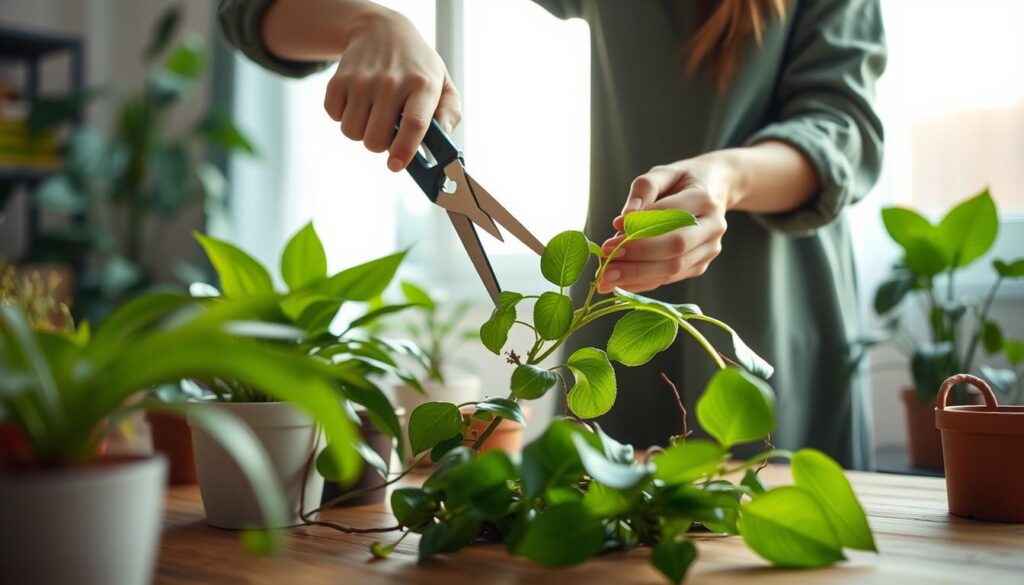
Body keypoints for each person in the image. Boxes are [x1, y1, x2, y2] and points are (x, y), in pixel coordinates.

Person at [218, 0, 886, 469]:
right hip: (619, 326)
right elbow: (246, 10)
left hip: (778, 314)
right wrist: (370, 22)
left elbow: (842, 128)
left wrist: (727, 179)